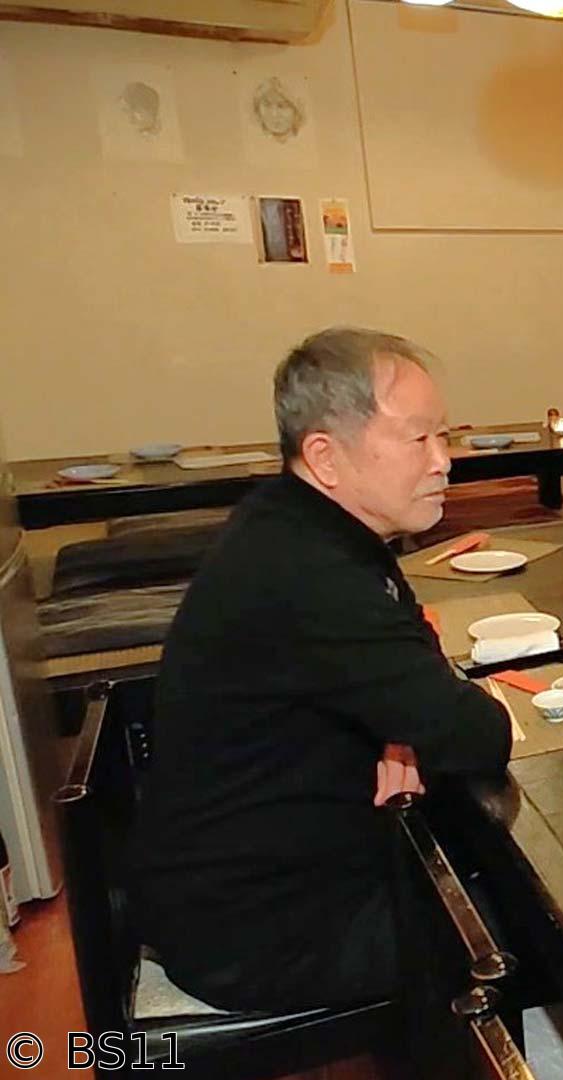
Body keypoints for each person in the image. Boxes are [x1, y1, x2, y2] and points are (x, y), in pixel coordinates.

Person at [134, 327, 512, 1011]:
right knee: (527, 922)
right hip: (262, 934)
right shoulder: (307, 571)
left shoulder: (297, 523)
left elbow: (413, 652)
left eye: (445, 437)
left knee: (473, 852)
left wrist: (401, 727)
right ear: (325, 457)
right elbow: (475, 733)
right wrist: (422, 721)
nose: (444, 462)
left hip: (249, 886)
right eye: (419, 439)